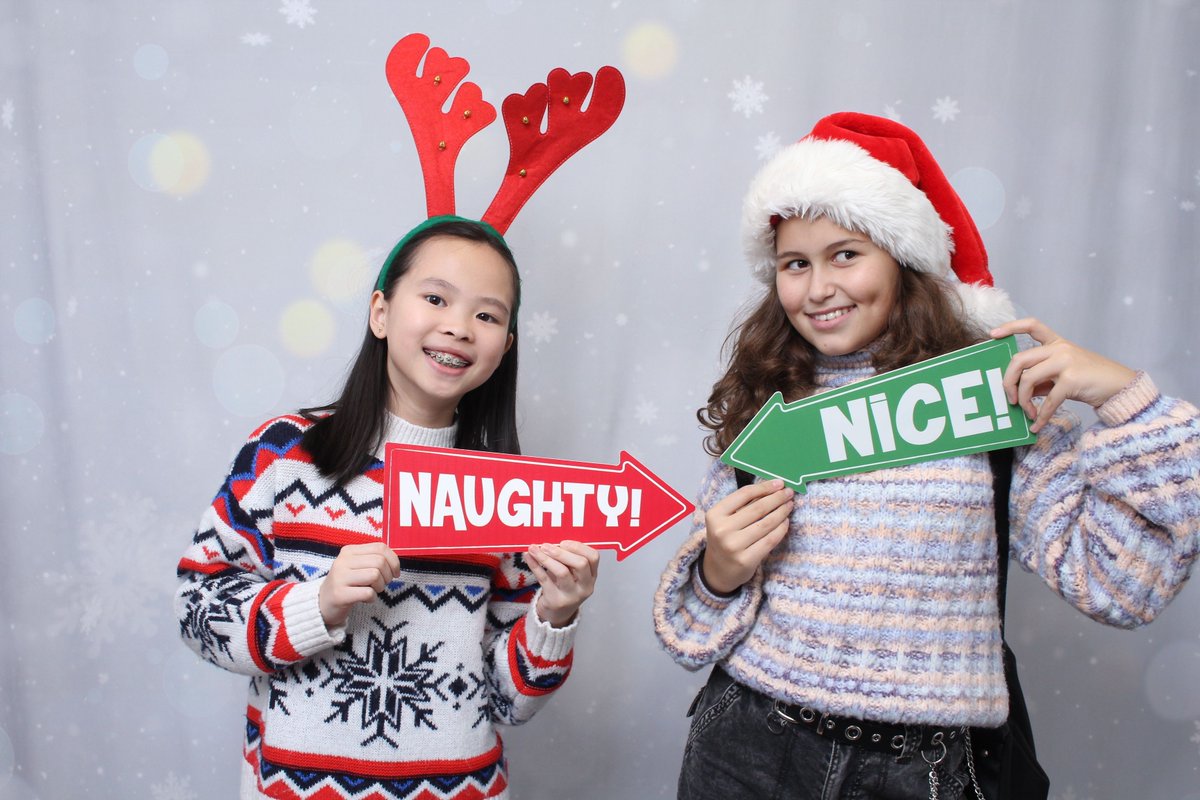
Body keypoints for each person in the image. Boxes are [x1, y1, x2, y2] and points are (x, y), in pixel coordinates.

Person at [652, 112, 1200, 799]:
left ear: (904, 260)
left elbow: (1128, 588)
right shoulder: (774, 408)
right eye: (796, 264)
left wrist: (1125, 397)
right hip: (750, 746)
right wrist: (718, 571)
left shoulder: (990, 400)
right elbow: (689, 637)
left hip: (924, 772)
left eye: (845, 254)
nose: (818, 288)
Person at [176, 216, 600, 800]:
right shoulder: (284, 454)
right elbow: (197, 609)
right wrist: (315, 604)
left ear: (505, 346)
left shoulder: (508, 497)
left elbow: (507, 703)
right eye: (435, 298)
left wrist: (555, 615)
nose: (458, 327)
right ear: (381, 312)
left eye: (487, 315)